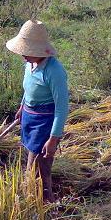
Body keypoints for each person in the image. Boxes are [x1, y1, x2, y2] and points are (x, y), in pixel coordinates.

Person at [6, 19, 69, 203]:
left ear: (38, 50)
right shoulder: (29, 64)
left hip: (45, 123)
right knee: (31, 159)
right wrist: (22, 107)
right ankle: (33, 196)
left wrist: (53, 139)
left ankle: (46, 202)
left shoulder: (54, 71)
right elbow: (28, 89)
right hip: (30, 118)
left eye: (27, 51)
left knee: (40, 166)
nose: (23, 55)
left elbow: (62, 107)